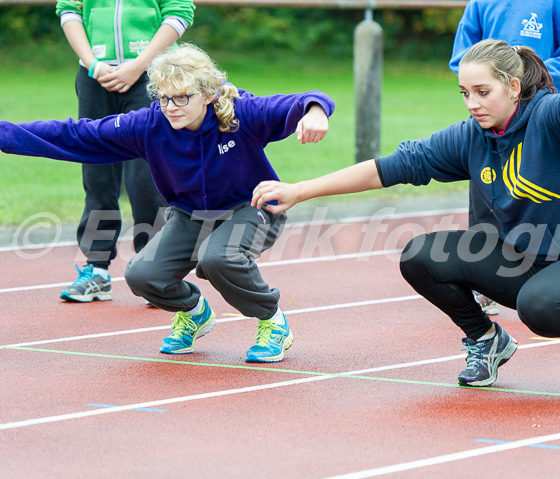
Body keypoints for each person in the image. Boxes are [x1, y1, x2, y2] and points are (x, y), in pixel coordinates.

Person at [252, 18, 560, 395]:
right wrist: (300, 190)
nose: (472, 104)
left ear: (513, 87)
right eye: (464, 93)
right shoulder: (471, 136)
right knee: (421, 256)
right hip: (522, 261)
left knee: (540, 306)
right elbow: (389, 168)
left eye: (482, 92)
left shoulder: (550, 119)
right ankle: (485, 339)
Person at [0, 44, 335, 363]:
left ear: (207, 94)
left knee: (219, 258)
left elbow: (308, 100)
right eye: (164, 98)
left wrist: (316, 112)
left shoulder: (241, 114)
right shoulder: (150, 125)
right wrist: (5, 134)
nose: (171, 106)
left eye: (181, 98)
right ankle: (193, 313)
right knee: (142, 275)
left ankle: (272, 321)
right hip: (190, 214)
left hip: (252, 206)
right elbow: (78, 134)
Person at [449, 0, 560, 316]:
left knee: (547, 198)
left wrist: (528, 75)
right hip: (494, 120)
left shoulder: (555, 4)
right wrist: (489, 81)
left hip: (542, 116)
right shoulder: (480, 5)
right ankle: (485, 284)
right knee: (487, 199)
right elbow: (461, 57)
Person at [55, 0, 195, 303]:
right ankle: (97, 268)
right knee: (97, 176)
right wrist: (92, 63)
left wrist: (140, 64)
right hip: (94, 76)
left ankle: (157, 270)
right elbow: (69, 11)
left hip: (150, 75)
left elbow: (180, 12)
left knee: (146, 177)